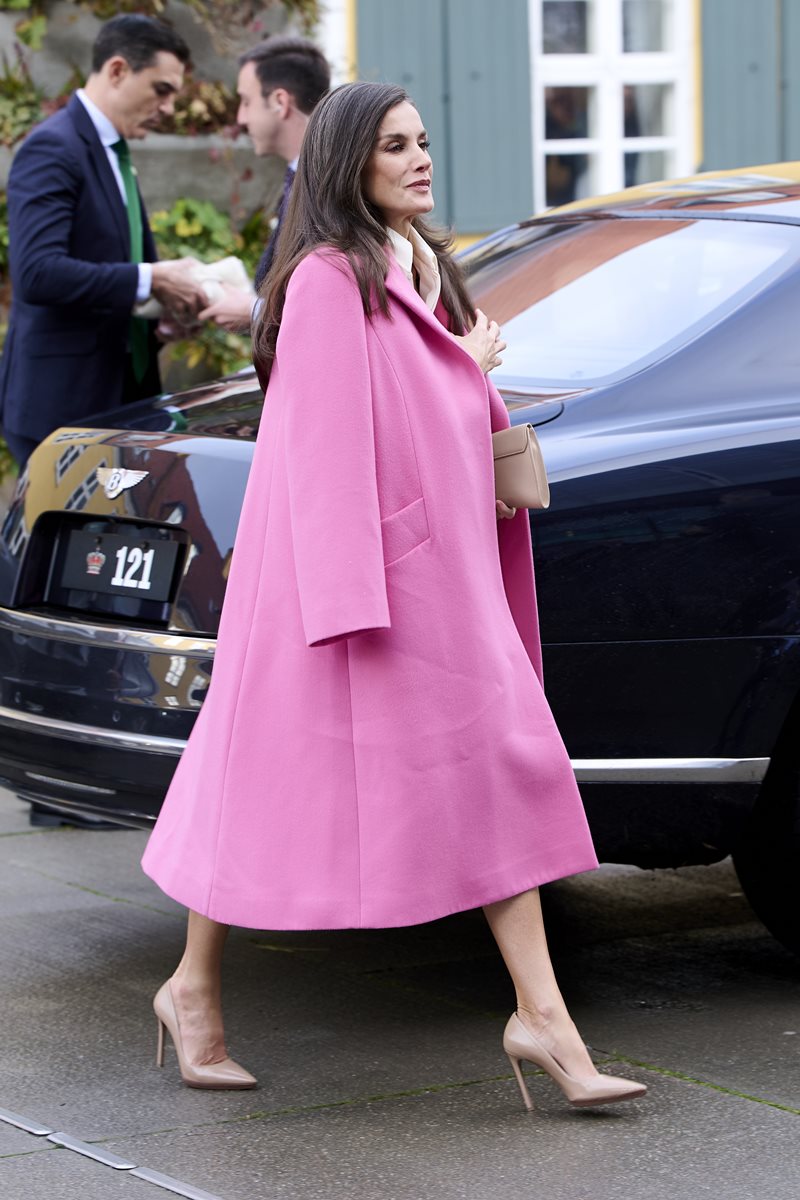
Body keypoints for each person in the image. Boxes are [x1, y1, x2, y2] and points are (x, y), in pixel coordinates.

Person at [141, 81, 647, 1112]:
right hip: (362, 584)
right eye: (395, 147)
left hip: (436, 572)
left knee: (501, 765)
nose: (420, 159)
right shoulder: (329, 277)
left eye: (422, 141)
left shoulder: (418, 261)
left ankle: (542, 1017)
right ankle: (191, 989)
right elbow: (329, 442)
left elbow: (414, 410)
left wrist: (460, 375)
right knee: (262, 777)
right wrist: (464, 368)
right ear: (347, 164)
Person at [0, 14, 206, 468]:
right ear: (117, 71)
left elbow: (108, 264)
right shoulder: (53, 147)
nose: (169, 108)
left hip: (119, 400)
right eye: (162, 89)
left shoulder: (114, 150)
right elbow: (37, 273)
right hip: (63, 406)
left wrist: (159, 315)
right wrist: (151, 278)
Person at [198, 35, 330, 333]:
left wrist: (253, 312)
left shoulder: (330, 187)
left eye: (246, 101)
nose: (240, 118)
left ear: (280, 102)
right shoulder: (303, 177)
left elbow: (334, 304)